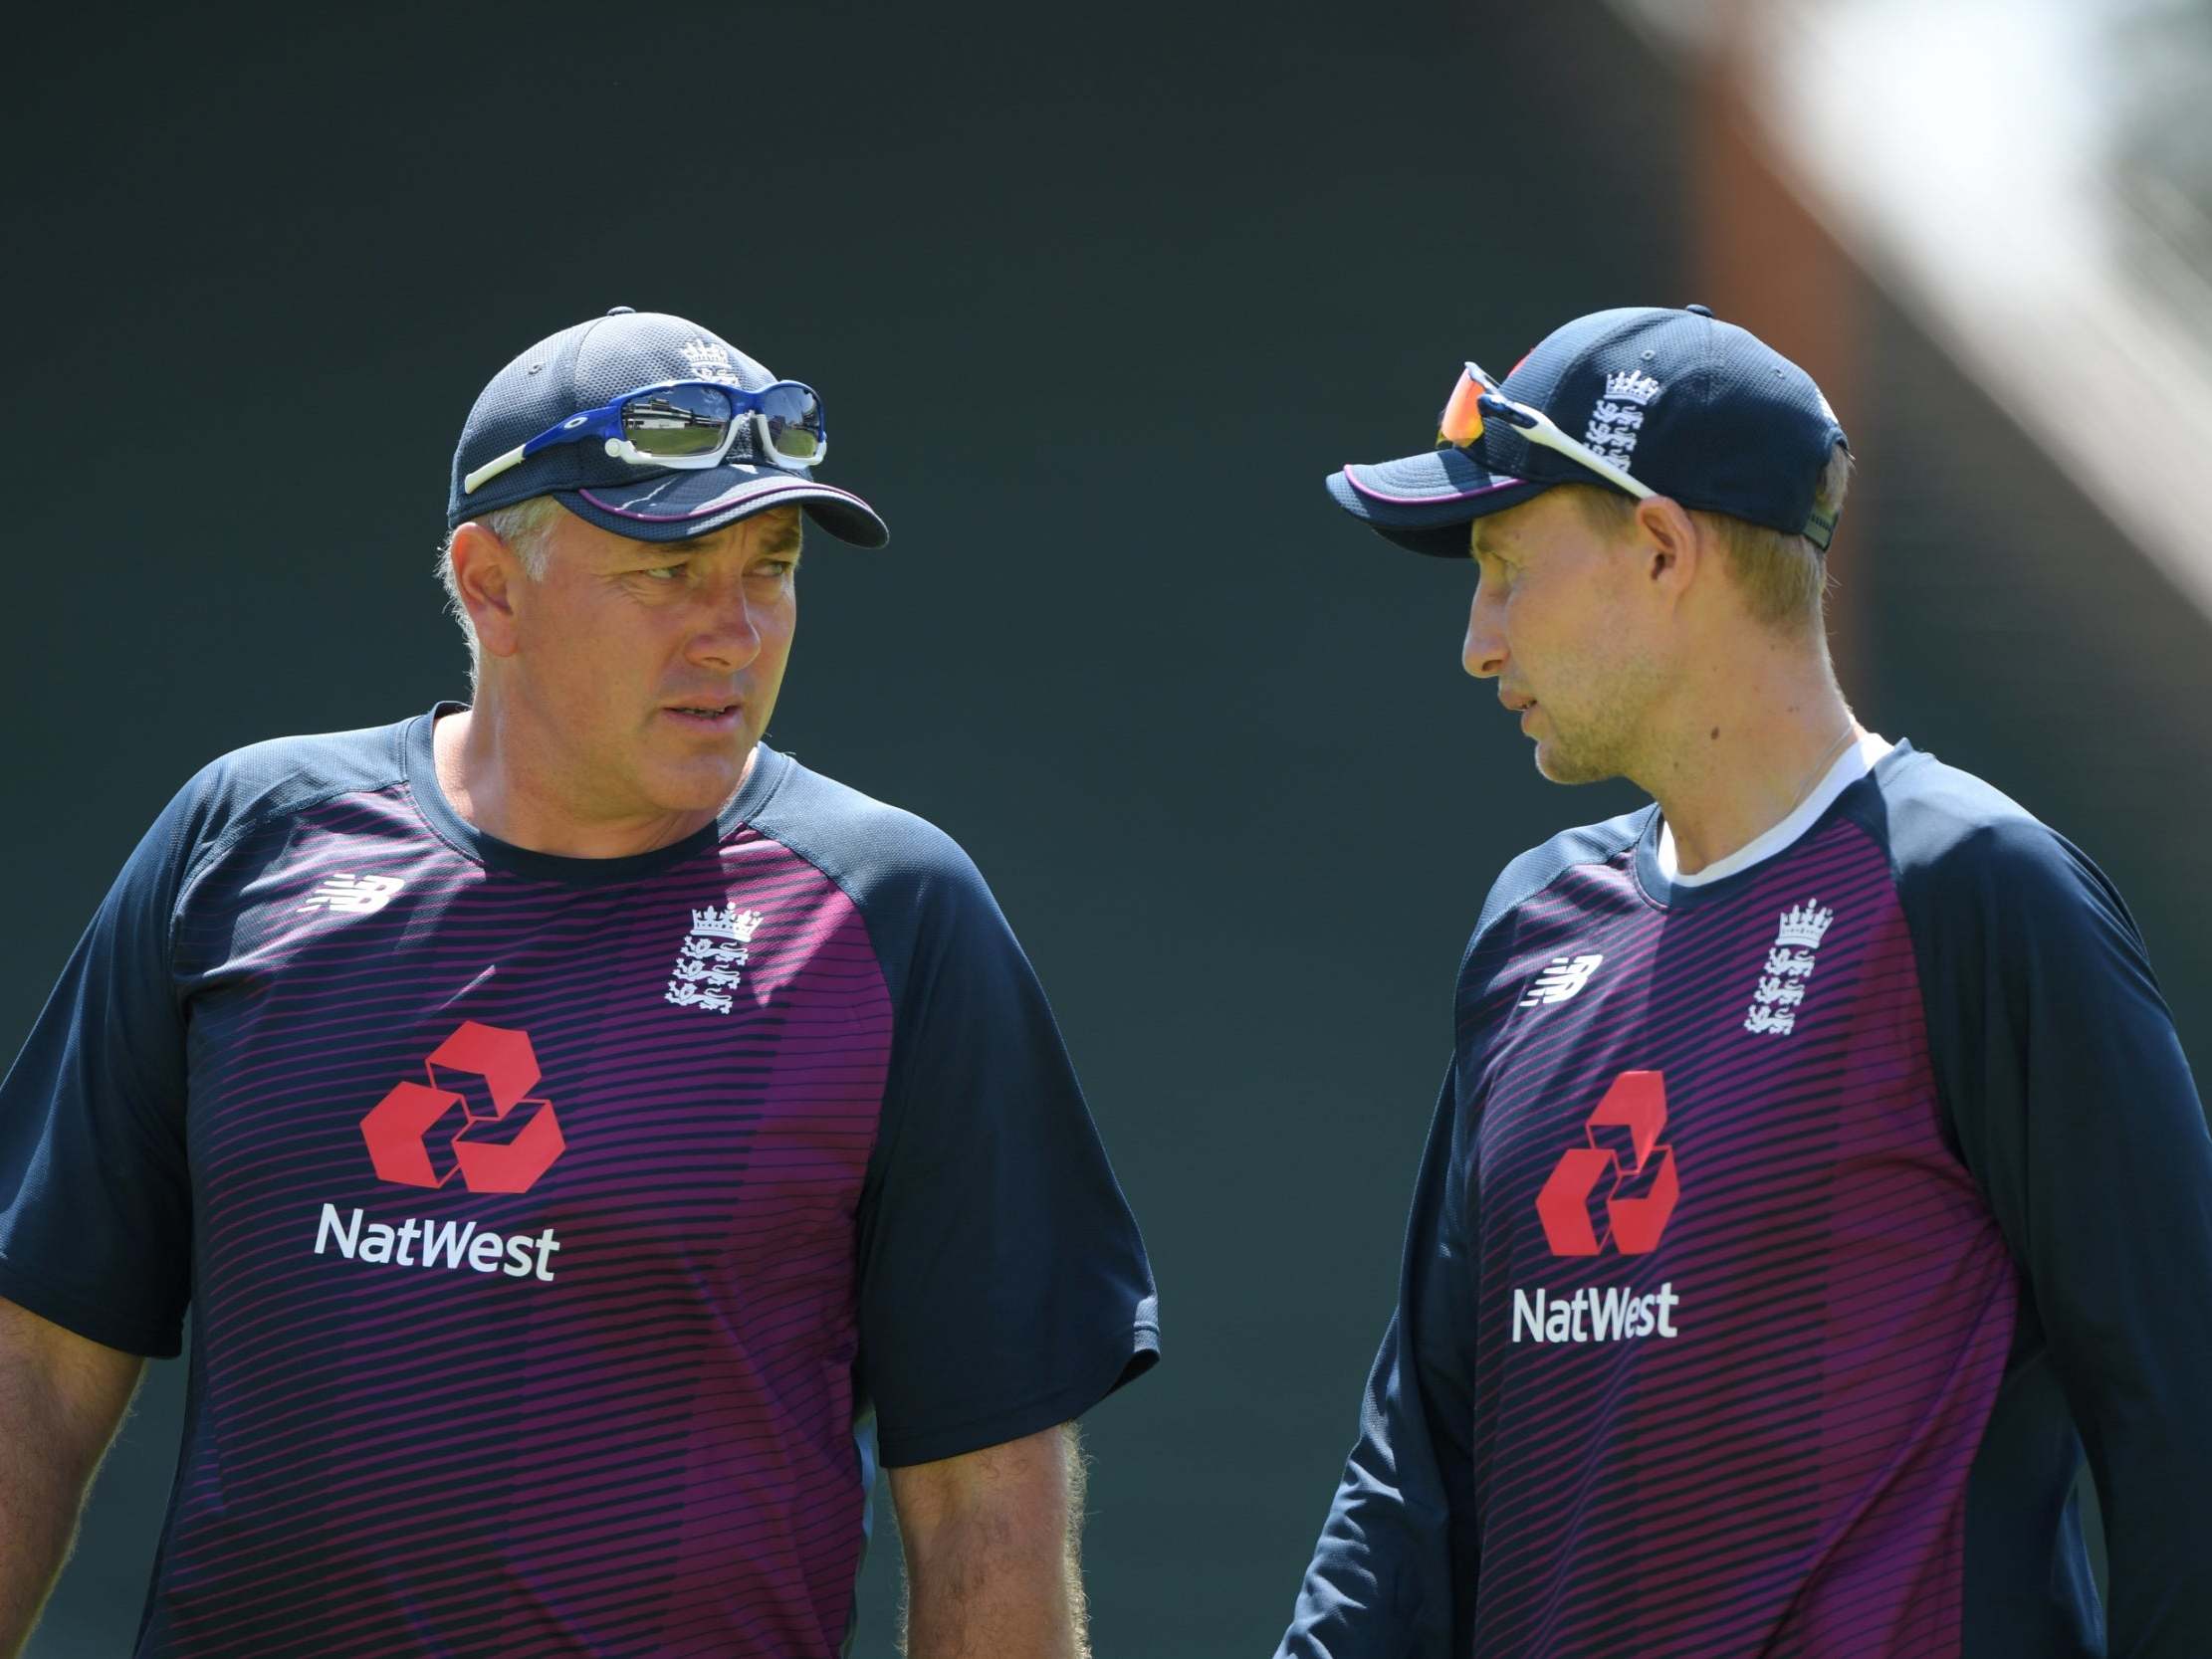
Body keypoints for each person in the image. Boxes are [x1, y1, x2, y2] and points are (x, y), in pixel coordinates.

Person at [0, 307, 1160, 1659]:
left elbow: (987, 1501)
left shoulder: (892, 909)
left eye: (770, 566)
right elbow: (33, 1367)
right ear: (489, 582)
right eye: (667, 573)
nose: (734, 633)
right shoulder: (247, 837)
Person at [1275, 305, 2212, 1658]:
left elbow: (2181, 1420)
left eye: (1502, 565)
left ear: (1659, 549)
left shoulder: (1973, 893)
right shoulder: (1530, 923)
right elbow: (1413, 1470)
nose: (1478, 642)